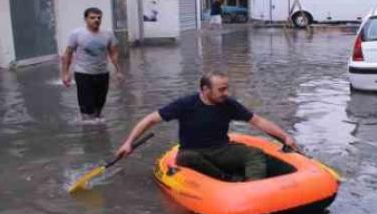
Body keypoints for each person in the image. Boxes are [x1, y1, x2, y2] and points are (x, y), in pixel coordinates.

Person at [116, 71, 297, 181]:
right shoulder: (185, 104)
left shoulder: (228, 103)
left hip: (221, 149)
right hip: (194, 151)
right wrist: (128, 143)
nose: (227, 93)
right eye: (221, 89)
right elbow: (150, 120)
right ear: (205, 90)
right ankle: (228, 179)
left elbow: (257, 121)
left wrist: (284, 136)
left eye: (227, 88)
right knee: (188, 158)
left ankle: (256, 188)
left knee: (255, 154)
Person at [61, 7, 124, 121]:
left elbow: (113, 53)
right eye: (92, 18)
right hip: (83, 74)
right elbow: (68, 54)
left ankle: (98, 133)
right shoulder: (77, 34)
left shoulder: (108, 34)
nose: (96, 20)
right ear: (86, 19)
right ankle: (88, 132)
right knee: (87, 107)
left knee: (99, 107)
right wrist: (65, 73)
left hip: (102, 74)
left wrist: (119, 71)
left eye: (99, 17)